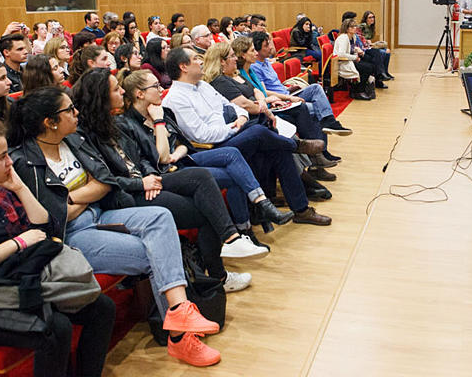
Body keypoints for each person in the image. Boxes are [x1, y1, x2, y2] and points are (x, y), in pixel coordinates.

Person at [7, 89, 223, 366]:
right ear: (50, 122)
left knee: (160, 216)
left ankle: (180, 311)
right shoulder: (25, 161)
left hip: (102, 212)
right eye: (69, 110)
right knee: (157, 252)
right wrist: (84, 194)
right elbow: (57, 216)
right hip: (73, 235)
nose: (76, 113)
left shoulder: (73, 140)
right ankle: (181, 338)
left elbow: (105, 182)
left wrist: (73, 197)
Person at [0, 125, 116, 376]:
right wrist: (15, 244)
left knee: (101, 307)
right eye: (2, 157)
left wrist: (20, 188)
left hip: (11, 284)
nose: (10, 162)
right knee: (54, 328)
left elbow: (44, 229)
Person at [72, 69, 266, 283]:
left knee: (201, 177)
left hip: (149, 179)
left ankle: (232, 240)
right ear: (101, 96)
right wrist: (141, 183)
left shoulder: (115, 123)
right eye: (116, 89)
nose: (122, 92)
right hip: (128, 194)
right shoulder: (86, 134)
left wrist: (149, 175)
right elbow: (106, 179)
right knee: (205, 210)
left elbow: (142, 158)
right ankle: (220, 276)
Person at [162, 47, 332, 225]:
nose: (201, 62)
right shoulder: (175, 98)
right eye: (196, 59)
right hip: (213, 147)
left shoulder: (203, 86)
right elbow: (202, 135)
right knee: (260, 132)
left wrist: (242, 118)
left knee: (275, 145)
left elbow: (231, 106)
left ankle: (301, 210)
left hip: (233, 131)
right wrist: (233, 128)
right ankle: (295, 146)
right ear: (183, 67)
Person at [120, 71, 293, 242]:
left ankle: (258, 210)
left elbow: (182, 144)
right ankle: (246, 228)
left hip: (184, 159)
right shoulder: (131, 124)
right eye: (155, 86)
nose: (160, 90)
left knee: (235, 153)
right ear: (140, 94)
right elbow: (161, 159)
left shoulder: (164, 111)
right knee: (239, 165)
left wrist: (176, 153)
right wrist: (159, 122)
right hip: (167, 173)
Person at [208, 39, 337, 177]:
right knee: (300, 113)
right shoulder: (224, 79)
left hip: (266, 108)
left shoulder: (243, 72)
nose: (256, 53)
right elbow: (244, 104)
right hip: (256, 115)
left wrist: (265, 101)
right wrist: (267, 103)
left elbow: (257, 91)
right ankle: (308, 165)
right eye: (252, 50)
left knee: (311, 108)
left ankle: (317, 157)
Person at [249, 31, 352, 136]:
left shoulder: (266, 61)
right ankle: (318, 142)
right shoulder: (255, 67)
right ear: (257, 50)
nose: (270, 47)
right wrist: (289, 98)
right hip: (280, 100)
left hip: (286, 92)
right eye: (266, 45)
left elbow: (274, 81)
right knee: (317, 108)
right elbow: (265, 92)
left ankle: (329, 122)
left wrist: (288, 89)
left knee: (316, 88)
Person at [333, 19, 379, 100]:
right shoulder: (343, 38)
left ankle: (361, 88)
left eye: (355, 26)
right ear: (347, 28)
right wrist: (355, 57)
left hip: (350, 60)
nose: (355, 28)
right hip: (342, 63)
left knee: (371, 65)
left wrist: (356, 53)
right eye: (352, 27)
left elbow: (351, 50)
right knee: (367, 68)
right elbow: (341, 54)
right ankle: (358, 91)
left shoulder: (353, 37)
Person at [360, 10, 393, 80]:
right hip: (364, 48)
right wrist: (365, 40)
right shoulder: (363, 26)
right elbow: (359, 34)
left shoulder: (371, 27)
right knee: (381, 52)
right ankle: (381, 73)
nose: (372, 19)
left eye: (373, 17)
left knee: (387, 51)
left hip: (369, 46)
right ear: (366, 19)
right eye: (370, 17)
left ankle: (385, 72)